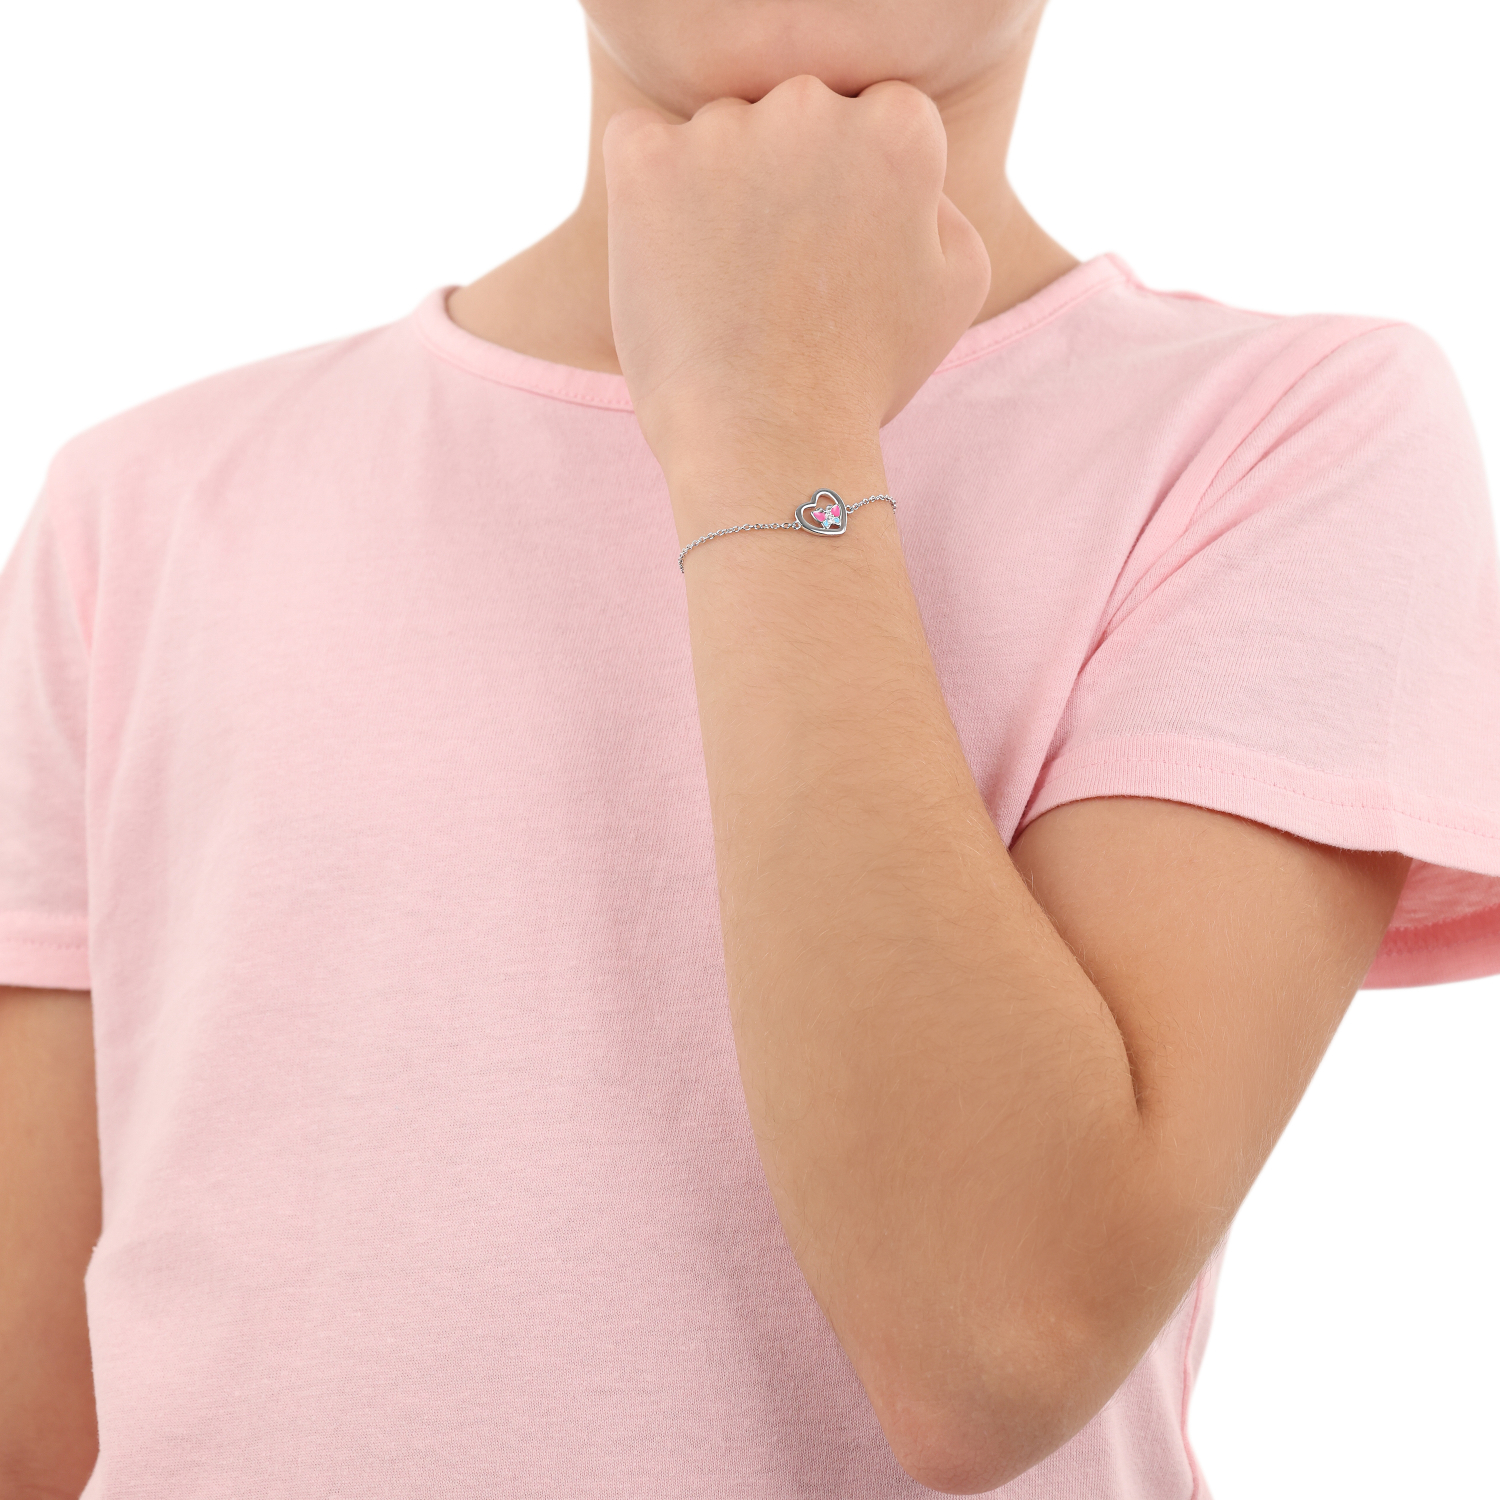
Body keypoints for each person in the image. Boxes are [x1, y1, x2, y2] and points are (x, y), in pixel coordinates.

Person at [2, 1, 1496, 1495]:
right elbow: (40, 1428)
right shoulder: (139, 511)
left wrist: (771, 422)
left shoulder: (1280, 436)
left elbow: (994, 1344)